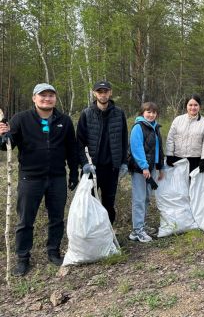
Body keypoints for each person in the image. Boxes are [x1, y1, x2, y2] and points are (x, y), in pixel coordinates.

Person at [0, 83, 78, 276]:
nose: (47, 99)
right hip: (30, 178)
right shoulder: (21, 119)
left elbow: (72, 149)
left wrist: (74, 174)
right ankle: (23, 259)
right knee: (25, 220)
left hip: (57, 177)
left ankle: (53, 252)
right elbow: (7, 146)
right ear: (34, 98)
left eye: (51, 95)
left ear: (55, 99)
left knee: (57, 218)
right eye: (42, 95)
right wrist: (3, 135)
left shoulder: (64, 120)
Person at [76, 80, 128, 225]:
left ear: (110, 93)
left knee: (109, 204)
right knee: (89, 203)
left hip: (111, 168)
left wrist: (123, 162)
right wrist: (85, 164)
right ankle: (91, 237)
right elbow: (79, 142)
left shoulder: (119, 113)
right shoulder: (86, 114)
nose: (103, 94)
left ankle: (108, 237)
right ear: (94, 93)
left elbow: (124, 140)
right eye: (100, 92)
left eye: (105, 91)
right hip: (92, 168)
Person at [128, 102, 165, 243]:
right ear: (142, 113)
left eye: (154, 112)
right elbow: (136, 148)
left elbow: (158, 149)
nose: (151, 114)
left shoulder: (155, 127)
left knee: (146, 198)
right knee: (139, 198)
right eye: (148, 112)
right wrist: (144, 167)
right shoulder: (138, 127)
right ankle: (137, 231)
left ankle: (141, 226)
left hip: (151, 168)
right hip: (140, 170)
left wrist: (160, 167)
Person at [166, 95, 204, 174]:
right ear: (186, 106)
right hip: (178, 158)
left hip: (196, 159)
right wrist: (169, 154)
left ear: (199, 106)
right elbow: (170, 138)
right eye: (190, 105)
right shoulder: (178, 120)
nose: (193, 108)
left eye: (195, 105)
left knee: (193, 185)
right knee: (179, 185)